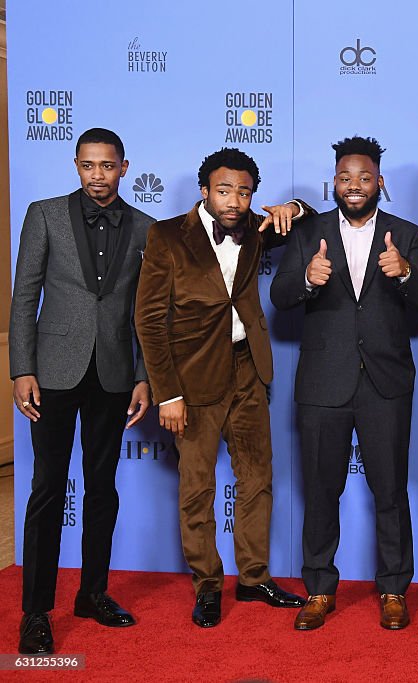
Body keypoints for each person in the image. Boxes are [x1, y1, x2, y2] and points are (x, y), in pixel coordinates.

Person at [135, 148, 308, 628]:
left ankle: (254, 578)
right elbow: (148, 321)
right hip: (191, 382)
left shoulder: (254, 227)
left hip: (248, 370)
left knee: (257, 478)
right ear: (205, 191)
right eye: (225, 190)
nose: (235, 200)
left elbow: (309, 216)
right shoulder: (167, 235)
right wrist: (167, 393)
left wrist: (292, 208)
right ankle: (208, 585)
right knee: (197, 488)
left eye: (245, 191)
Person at [270, 136, 418, 632]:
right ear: (334, 182)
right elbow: (279, 297)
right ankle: (318, 589)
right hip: (324, 384)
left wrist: (404, 274)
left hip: (386, 382)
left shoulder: (405, 233)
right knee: (321, 491)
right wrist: (307, 279)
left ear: (379, 182)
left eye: (365, 177)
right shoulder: (308, 230)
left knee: (390, 491)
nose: (355, 186)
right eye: (346, 178)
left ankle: (392, 590)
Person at [11, 128, 153, 655]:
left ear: (124, 166)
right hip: (52, 372)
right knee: (47, 490)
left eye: (108, 166)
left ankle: (92, 592)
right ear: (76, 166)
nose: (99, 175)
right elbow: (25, 294)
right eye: (89, 165)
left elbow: (145, 312)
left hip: (114, 374)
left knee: (102, 489)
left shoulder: (145, 227)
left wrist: (143, 375)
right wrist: (20, 368)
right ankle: (35, 612)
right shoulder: (44, 214)